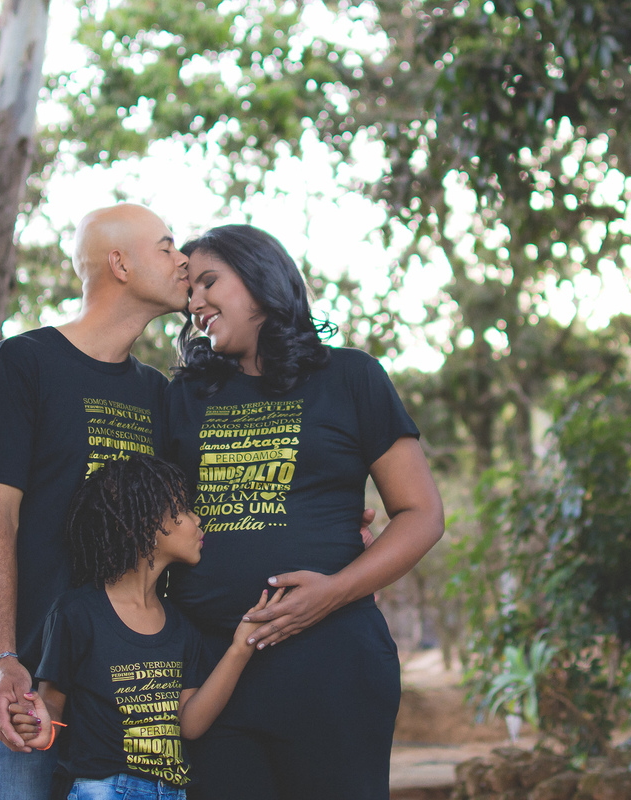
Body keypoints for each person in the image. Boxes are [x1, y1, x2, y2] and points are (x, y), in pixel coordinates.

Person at [163, 224, 445, 800]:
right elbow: (144, 517)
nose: (195, 303)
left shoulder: (351, 377)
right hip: (212, 671)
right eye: (189, 292)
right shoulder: (182, 396)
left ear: (262, 278)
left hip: (334, 666)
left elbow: (421, 514)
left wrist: (334, 592)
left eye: (209, 281)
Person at [0, 203, 191, 800]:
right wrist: (4, 657)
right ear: (120, 264)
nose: (183, 260)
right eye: (167, 246)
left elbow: (188, 519)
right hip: (25, 684)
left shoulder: (156, 394)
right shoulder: (24, 363)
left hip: (120, 700)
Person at [11, 453, 281, 800]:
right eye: (183, 510)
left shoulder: (181, 626)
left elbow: (190, 725)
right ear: (144, 525)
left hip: (170, 792)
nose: (198, 519)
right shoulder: (76, 614)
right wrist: (38, 724)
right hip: (103, 789)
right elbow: (52, 707)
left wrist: (240, 650)